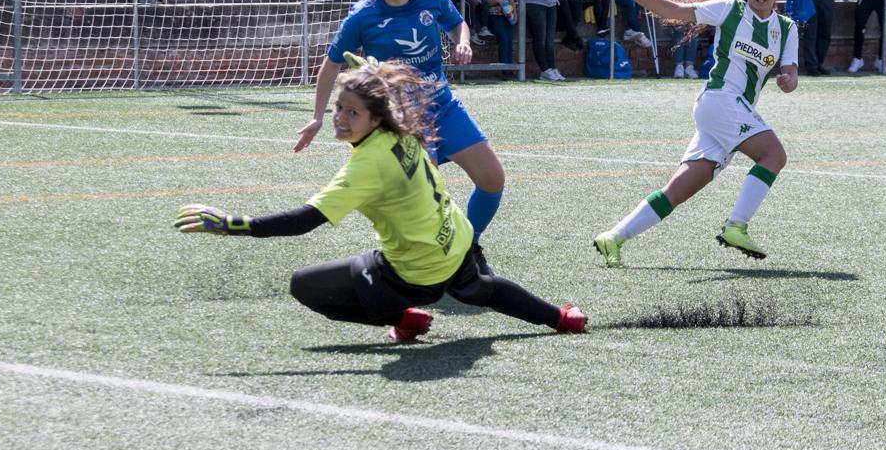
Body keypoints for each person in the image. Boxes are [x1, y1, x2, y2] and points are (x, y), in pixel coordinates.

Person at [178, 61, 586, 342]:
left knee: (305, 286)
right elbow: (390, 94)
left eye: (352, 113)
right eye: (339, 108)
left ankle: (404, 317)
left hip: (416, 272)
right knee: (479, 288)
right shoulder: (402, 128)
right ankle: (561, 318)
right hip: (458, 243)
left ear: (375, 119)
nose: (340, 118)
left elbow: (305, 220)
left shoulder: (367, 165)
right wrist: (369, 75)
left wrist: (234, 224)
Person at [295, 0, 506, 272]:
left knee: (492, 180)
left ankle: (469, 246)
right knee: (427, 201)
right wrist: (317, 118)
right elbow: (331, 64)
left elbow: (456, 24)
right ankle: (433, 267)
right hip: (403, 122)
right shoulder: (363, 15)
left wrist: (462, 42)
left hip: (443, 106)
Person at [592, 0, 798, 267]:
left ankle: (614, 237)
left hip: (729, 112)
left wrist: (788, 81)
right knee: (773, 155)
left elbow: (791, 74)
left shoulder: (786, 28)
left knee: (678, 191)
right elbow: (675, 11)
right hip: (720, 100)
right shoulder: (731, 9)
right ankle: (736, 226)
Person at [482, 0, 517, 65]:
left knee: (509, 41)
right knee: (503, 40)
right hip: (495, 16)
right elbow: (488, 1)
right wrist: (498, 1)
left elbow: (511, 1)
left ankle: (509, 66)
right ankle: (504, 67)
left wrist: (514, 15)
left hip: (508, 16)